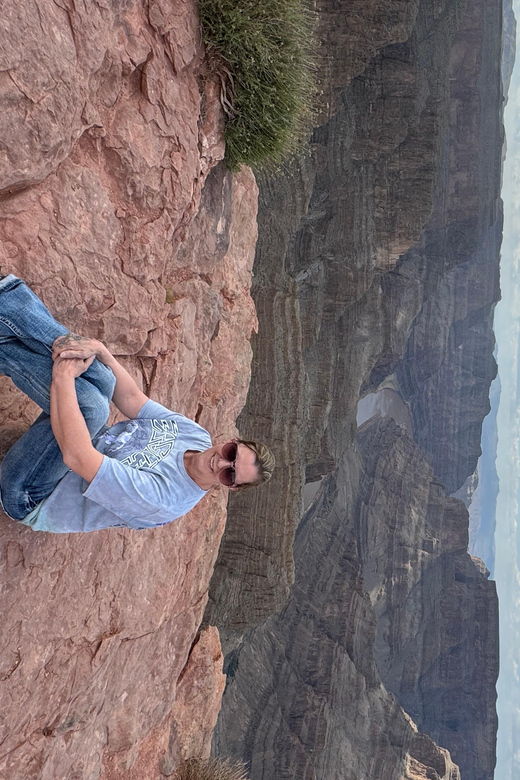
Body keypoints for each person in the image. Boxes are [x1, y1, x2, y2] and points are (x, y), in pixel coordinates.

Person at [0, 275, 274, 533]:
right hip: (72, 450)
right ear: (232, 441)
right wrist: (100, 350)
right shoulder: (197, 437)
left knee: (92, 407)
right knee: (103, 378)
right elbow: (133, 400)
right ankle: (7, 310)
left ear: (232, 487)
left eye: (230, 475)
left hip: (33, 493)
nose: (222, 463)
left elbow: (77, 456)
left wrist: (63, 378)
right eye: (231, 454)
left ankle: (9, 298)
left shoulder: (164, 500)